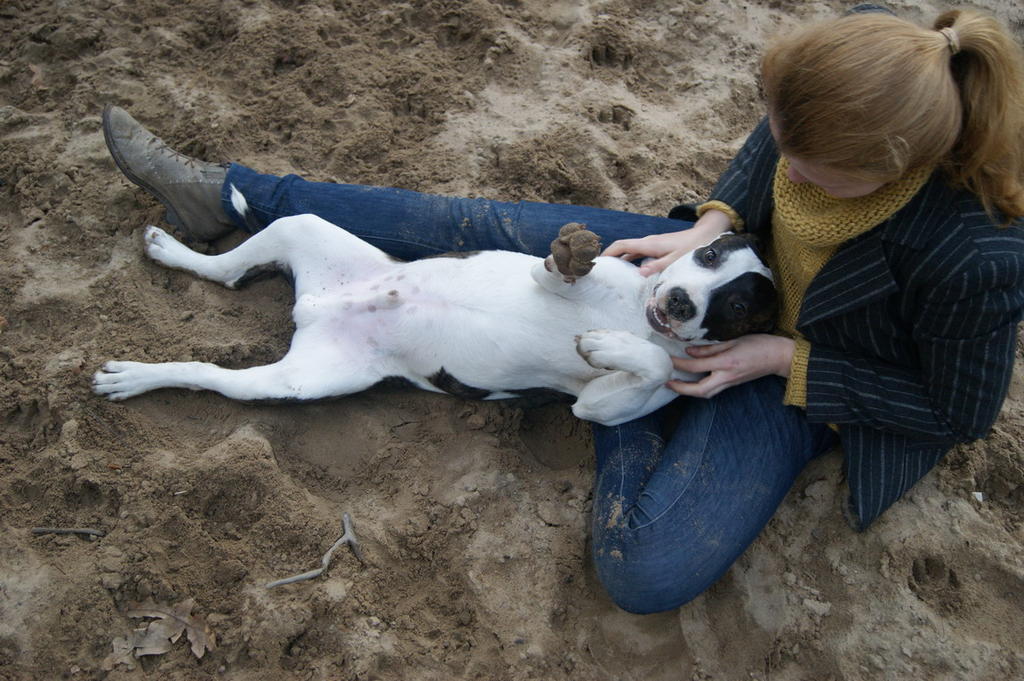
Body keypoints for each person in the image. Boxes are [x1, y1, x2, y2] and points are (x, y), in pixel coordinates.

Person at [100, 4, 1024, 614]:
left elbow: (959, 412)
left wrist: (786, 360)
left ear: (889, 162)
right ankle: (231, 196)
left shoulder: (975, 256)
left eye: (805, 164)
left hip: (803, 370)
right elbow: (769, 150)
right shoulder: (858, 73)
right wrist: (711, 223)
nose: (781, 161)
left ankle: (622, 393)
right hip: (704, 272)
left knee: (645, 568)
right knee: (476, 225)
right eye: (782, 140)